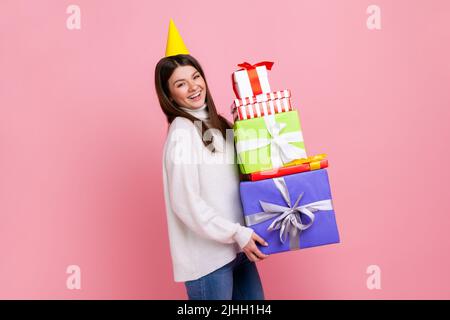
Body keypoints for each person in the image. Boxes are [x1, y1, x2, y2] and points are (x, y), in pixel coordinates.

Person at [155, 19, 268, 300]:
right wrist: (236, 234)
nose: (193, 87)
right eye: (180, 83)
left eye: (196, 77)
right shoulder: (182, 134)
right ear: (169, 94)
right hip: (208, 261)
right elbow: (186, 203)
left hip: (239, 248)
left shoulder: (218, 123)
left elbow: (243, 173)